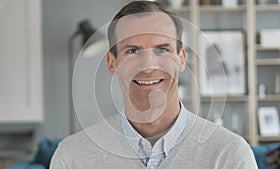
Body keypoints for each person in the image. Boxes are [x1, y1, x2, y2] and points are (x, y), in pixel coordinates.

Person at [50, 1, 258, 169]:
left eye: (162, 49)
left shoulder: (229, 155)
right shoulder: (72, 157)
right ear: (112, 63)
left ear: (181, 58)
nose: (148, 66)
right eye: (132, 51)